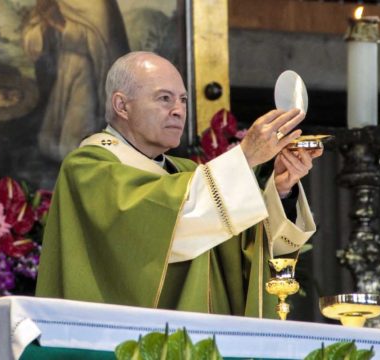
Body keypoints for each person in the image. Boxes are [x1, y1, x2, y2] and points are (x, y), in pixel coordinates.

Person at [36, 51, 323, 318]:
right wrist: (245, 157)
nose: (178, 110)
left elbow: (237, 245)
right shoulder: (89, 168)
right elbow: (167, 229)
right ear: (122, 105)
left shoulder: (185, 173)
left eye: (183, 100)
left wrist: (281, 189)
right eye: (164, 98)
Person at [23, 0, 129, 162]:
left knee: (77, 128)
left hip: (87, 71)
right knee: (54, 130)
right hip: (62, 69)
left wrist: (59, 27)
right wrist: (43, 28)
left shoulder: (98, 4)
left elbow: (98, 39)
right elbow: (33, 35)